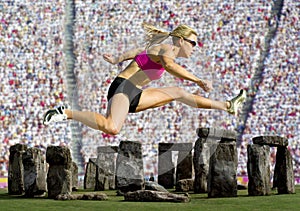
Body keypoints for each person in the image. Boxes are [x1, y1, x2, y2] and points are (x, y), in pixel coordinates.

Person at [43, 23, 246, 135]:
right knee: (111, 127)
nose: (195, 47)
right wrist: (198, 81)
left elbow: (137, 52)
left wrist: (117, 59)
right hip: (124, 87)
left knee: (178, 93)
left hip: (136, 92)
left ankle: (228, 105)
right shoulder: (168, 48)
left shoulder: (161, 47)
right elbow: (169, 66)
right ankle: (65, 112)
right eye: (193, 43)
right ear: (181, 40)